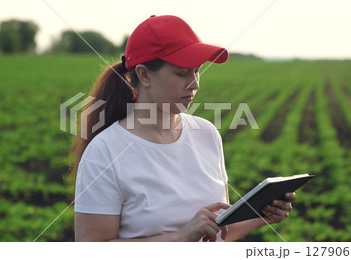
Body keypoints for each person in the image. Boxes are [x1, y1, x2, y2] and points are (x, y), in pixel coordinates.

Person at [72, 15, 296, 242]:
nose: (195, 83)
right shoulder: (105, 152)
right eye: (182, 73)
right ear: (144, 75)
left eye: (197, 71)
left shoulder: (206, 134)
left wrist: (259, 216)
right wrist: (181, 237)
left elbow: (217, 234)